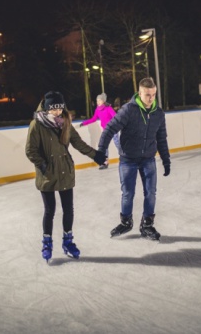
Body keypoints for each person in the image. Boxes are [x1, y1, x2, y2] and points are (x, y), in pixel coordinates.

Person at [25, 91, 106, 262]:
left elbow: (78, 143)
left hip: (65, 171)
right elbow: (30, 150)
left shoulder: (66, 122)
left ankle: (68, 242)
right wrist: (42, 164)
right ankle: (47, 243)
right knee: (50, 210)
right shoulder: (37, 125)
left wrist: (95, 155)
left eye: (60, 108)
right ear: (47, 108)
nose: (57, 112)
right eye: (54, 109)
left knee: (68, 209)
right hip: (47, 174)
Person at [97, 77, 171, 241]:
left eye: (153, 95)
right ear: (139, 93)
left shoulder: (158, 113)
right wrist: (101, 150)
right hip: (128, 159)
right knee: (128, 193)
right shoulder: (128, 110)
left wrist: (166, 160)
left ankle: (147, 225)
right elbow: (109, 128)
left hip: (148, 159)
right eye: (147, 95)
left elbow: (162, 139)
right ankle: (126, 222)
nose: (150, 98)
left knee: (151, 193)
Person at [79, 92, 120, 169]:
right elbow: (93, 119)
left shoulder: (109, 108)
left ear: (103, 101)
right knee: (104, 147)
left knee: (118, 144)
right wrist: (84, 123)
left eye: (99, 100)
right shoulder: (97, 110)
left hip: (113, 130)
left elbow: (116, 117)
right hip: (105, 130)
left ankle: (126, 159)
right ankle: (104, 162)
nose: (97, 102)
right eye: (97, 100)